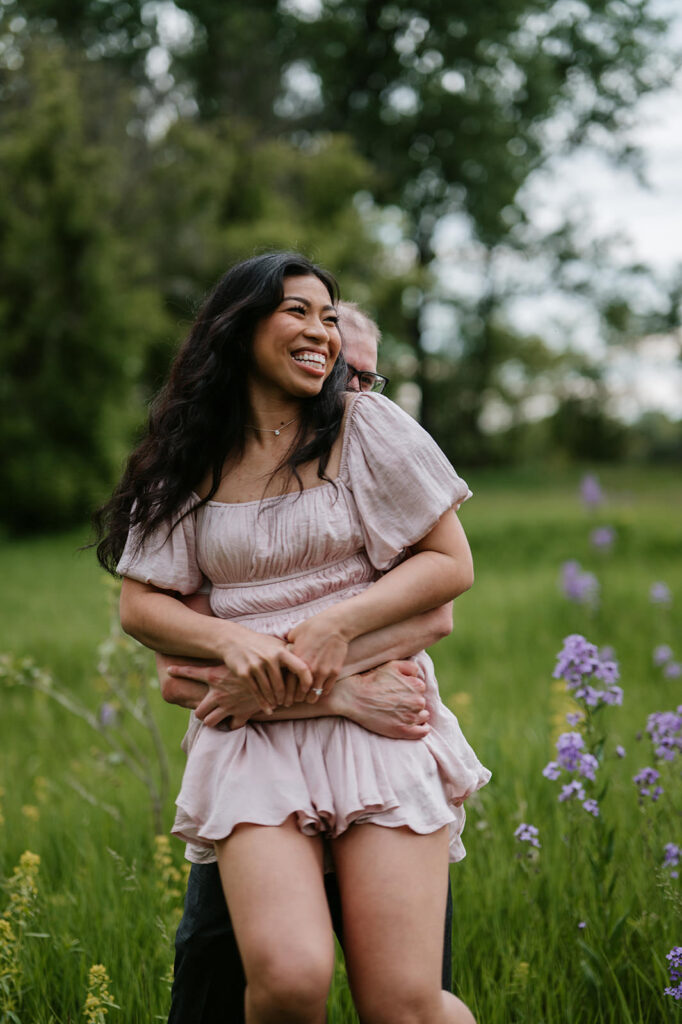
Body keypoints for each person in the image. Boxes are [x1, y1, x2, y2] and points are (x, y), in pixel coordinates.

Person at [95, 252, 490, 1024]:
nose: (322, 332)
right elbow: (143, 608)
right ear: (240, 330)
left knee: (404, 1006)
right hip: (259, 746)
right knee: (288, 980)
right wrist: (233, 644)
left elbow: (451, 565)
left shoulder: (366, 426)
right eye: (299, 312)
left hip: (380, 727)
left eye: (330, 316)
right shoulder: (191, 454)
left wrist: (340, 621)